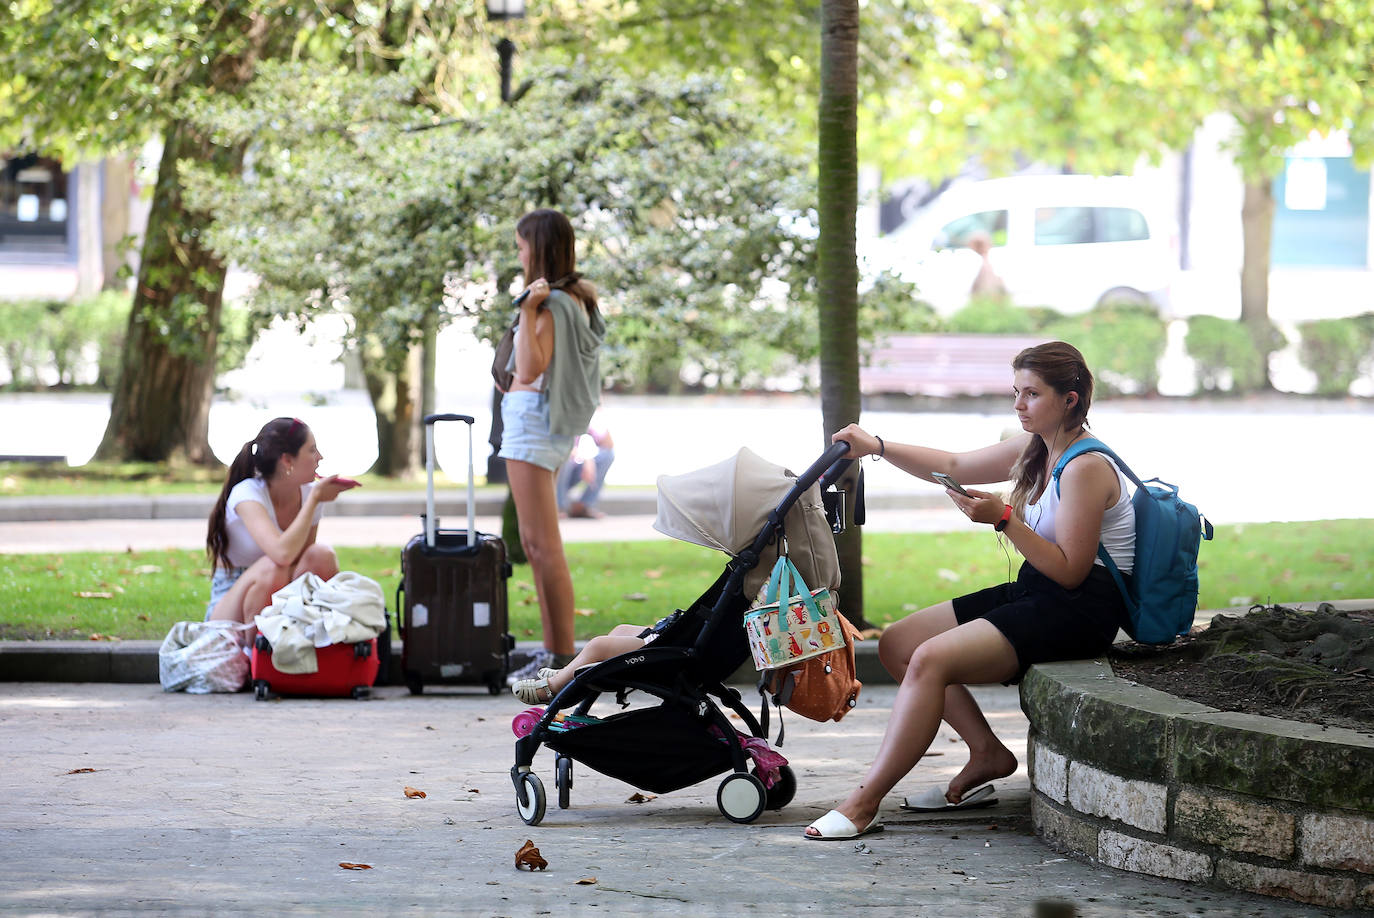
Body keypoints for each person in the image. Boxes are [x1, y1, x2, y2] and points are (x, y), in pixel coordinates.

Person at [805, 341, 1135, 840]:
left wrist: (1004, 518)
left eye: (1032, 394)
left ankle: (863, 802)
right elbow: (956, 464)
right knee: (897, 644)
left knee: (930, 660)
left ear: (1070, 400)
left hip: (1078, 609)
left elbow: (1071, 572)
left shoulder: (1087, 466)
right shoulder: (1039, 448)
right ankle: (987, 754)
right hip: (1039, 591)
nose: (1019, 405)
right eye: (1016, 392)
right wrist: (877, 446)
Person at [497, 208, 606, 682]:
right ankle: (552, 649)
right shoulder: (576, 298)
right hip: (544, 424)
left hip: (534, 425)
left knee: (542, 544)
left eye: (521, 245)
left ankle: (560, 655)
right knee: (535, 542)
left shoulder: (549, 304)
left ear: (537, 247)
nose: (517, 252)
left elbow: (528, 370)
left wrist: (525, 310)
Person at [205, 417, 358, 626]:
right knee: (272, 567)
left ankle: (314, 636)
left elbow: (303, 561)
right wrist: (313, 501)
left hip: (280, 593)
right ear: (287, 460)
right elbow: (282, 555)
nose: (320, 457)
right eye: (312, 450)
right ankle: (256, 653)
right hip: (232, 602)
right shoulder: (247, 494)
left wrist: (313, 500)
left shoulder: (309, 493)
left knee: (321, 555)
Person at [511, 621, 653, 704]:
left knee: (598, 646)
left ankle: (553, 687)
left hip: (663, 653)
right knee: (621, 630)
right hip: (666, 639)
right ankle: (569, 673)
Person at [556, 414, 615, 519]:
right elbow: (561, 447)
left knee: (608, 455)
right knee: (565, 459)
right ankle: (558, 506)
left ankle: (584, 505)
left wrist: (600, 418)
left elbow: (608, 444)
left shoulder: (581, 417)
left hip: (573, 471)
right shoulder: (559, 414)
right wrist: (586, 458)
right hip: (556, 474)